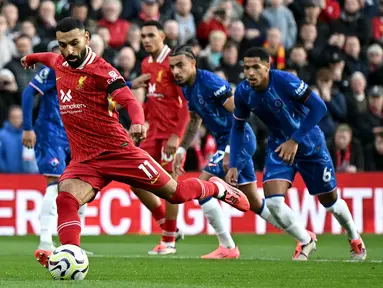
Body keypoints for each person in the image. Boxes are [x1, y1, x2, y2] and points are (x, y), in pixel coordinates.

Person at [21, 17, 249, 269]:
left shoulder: (102, 70)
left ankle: (215, 188)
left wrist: (138, 121)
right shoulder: (60, 61)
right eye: (63, 45)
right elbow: (49, 58)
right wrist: (32, 57)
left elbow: (128, 99)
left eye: (74, 43)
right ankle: (69, 255)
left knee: (176, 194)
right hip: (85, 159)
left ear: (87, 38)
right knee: (65, 199)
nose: (69, 51)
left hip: (118, 151)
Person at [226, 47, 366, 261]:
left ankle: (354, 237)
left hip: (310, 144)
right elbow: (237, 128)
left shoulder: (284, 81)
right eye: (246, 68)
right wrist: (234, 163)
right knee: (273, 202)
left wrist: (295, 140)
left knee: (331, 204)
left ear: (268, 67)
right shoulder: (244, 92)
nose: (251, 72)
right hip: (279, 146)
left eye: (256, 67)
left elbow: (319, 108)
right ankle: (305, 240)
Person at [170, 45, 280, 259]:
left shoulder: (211, 83)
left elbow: (240, 115)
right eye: (173, 67)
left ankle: (228, 246)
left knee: (202, 186)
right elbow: (194, 121)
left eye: (180, 65)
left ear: (193, 64)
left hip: (237, 139)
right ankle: (303, 236)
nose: (176, 71)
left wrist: (231, 149)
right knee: (255, 203)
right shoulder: (187, 88)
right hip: (226, 143)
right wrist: (182, 148)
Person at [21, 42, 90, 253]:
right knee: (54, 184)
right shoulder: (52, 70)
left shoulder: (82, 71)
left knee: (81, 185)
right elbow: (27, 93)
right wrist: (27, 128)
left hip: (73, 135)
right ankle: (44, 240)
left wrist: (130, 84)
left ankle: (73, 244)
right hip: (50, 133)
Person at [132, 20, 190, 255]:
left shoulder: (173, 64)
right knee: (135, 179)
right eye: (143, 36)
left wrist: (177, 136)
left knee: (171, 187)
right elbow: (151, 100)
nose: (146, 40)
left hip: (171, 135)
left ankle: (168, 241)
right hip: (152, 131)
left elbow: (186, 103)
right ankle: (167, 225)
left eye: (151, 35)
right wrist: (138, 122)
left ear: (163, 36)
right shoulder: (146, 63)